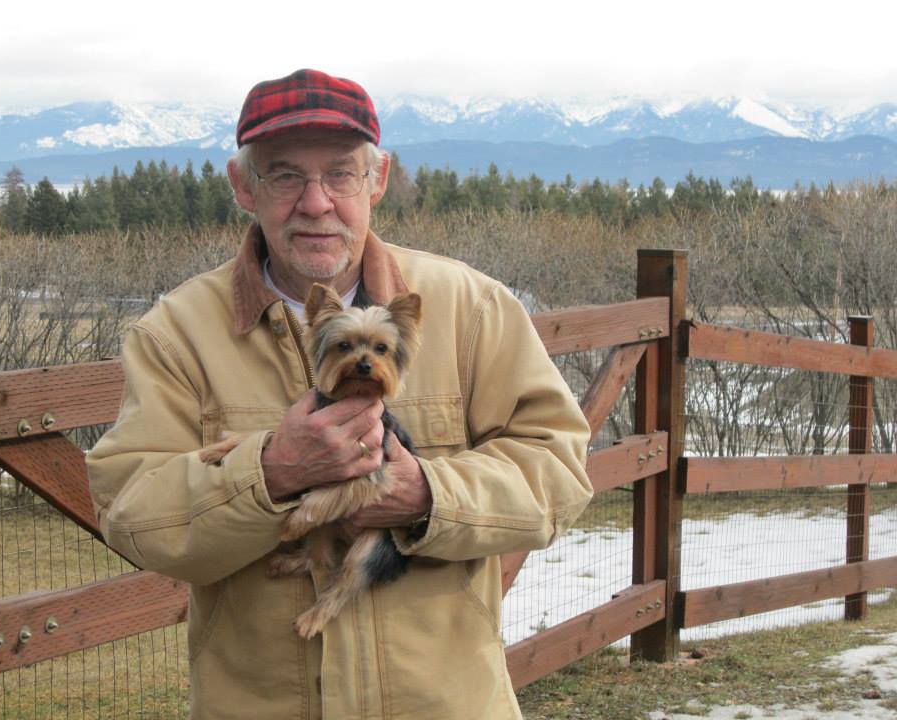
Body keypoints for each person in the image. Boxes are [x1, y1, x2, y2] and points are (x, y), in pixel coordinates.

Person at [87, 68, 593, 720]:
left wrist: (429, 497)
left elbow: (558, 471)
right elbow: (132, 510)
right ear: (245, 187)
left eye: (342, 174)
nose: (317, 202)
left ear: (378, 179)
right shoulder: (177, 332)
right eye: (286, 175)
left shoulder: (471, 308)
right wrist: (268, 472)